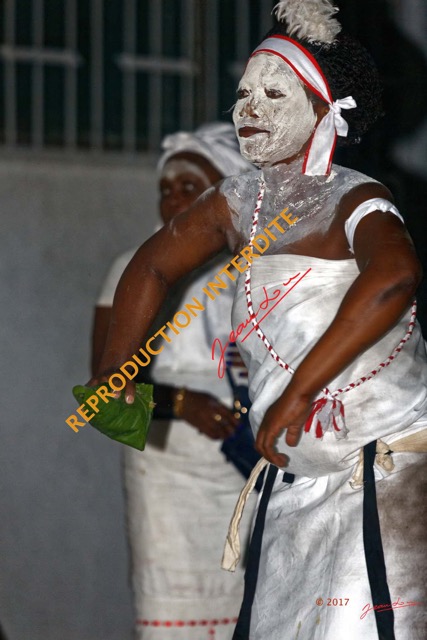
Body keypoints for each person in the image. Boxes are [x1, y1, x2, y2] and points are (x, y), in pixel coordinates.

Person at [90, 2, 427, 638]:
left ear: (325, 109)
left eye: (274, 93)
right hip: (297, 478)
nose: (249, 108)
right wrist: (116, 369)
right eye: (243, 93)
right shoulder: (237, 202)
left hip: (383, 474)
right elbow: (152, 266)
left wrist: (299, 392)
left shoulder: (356, 197)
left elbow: (396, 278)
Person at [92, 123, 256, 639]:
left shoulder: (257, 271)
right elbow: (102, 398)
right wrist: (182, 401)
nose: (174, 200)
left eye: (190, 188)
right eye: (166, 189)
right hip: (166, 473)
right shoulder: (135, 269)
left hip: (248, 466)